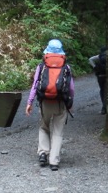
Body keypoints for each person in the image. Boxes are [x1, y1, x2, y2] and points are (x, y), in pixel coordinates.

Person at [25, 39, 74, 171]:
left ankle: (43, 153)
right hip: (60, 102)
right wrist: (70, 103)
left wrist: (29, 102)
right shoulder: (66, 67)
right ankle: (54, 161)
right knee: (58, 132)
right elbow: (71, 88)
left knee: (44, 126)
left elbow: (35, 86)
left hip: (45, 102)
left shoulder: (41, 66)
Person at [88, 46, 107, 114]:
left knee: (102, 90)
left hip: (100, 76)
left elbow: (90, 59)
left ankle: (104, 107)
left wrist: (95, 67)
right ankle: (105, 107)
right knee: (107, 91)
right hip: (107, 76)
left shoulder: (98, 57)